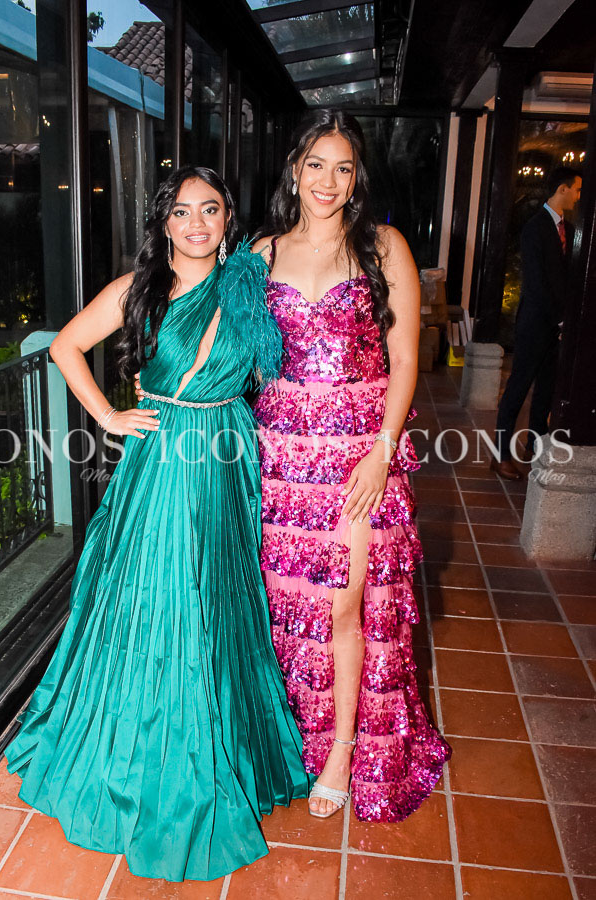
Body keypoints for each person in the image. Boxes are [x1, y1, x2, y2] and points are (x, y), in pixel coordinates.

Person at [4, 166, 311, 882]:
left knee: (218, 598)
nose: (196, 223)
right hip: (165, 454)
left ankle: (219, 739)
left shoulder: (252, 284)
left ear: (228, 220)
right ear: (163, 222)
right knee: (161, 595)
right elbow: (64, 347)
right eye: (182, 211)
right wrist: (109, 415)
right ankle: (148, 749)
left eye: (210, 210)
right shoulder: (137, 289)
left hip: (228, 457)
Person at [251, 110, 451, 820]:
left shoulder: (384, 247)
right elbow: (229, 345)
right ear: (294, 171)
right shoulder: (261, 252)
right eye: (316, 165)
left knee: (344, 604)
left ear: (357, 177)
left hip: (358, 456)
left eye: (343, 168)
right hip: (280, 458)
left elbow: (406, 360)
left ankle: (341, 749)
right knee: (286, 606)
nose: (328, 181)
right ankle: (289, 740)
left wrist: (383, 452)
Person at [493, 166, 581, 480]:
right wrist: (560, 320)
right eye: (576, 189)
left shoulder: (571, 231)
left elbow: (568, 281)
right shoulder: (535, 228)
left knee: (547, 391)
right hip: (535, 323)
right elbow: (537, 284)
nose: (578, 196)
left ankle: (536, 446)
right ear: (562, 189)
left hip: (557, 326)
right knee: (518, 388)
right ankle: (500, 455)